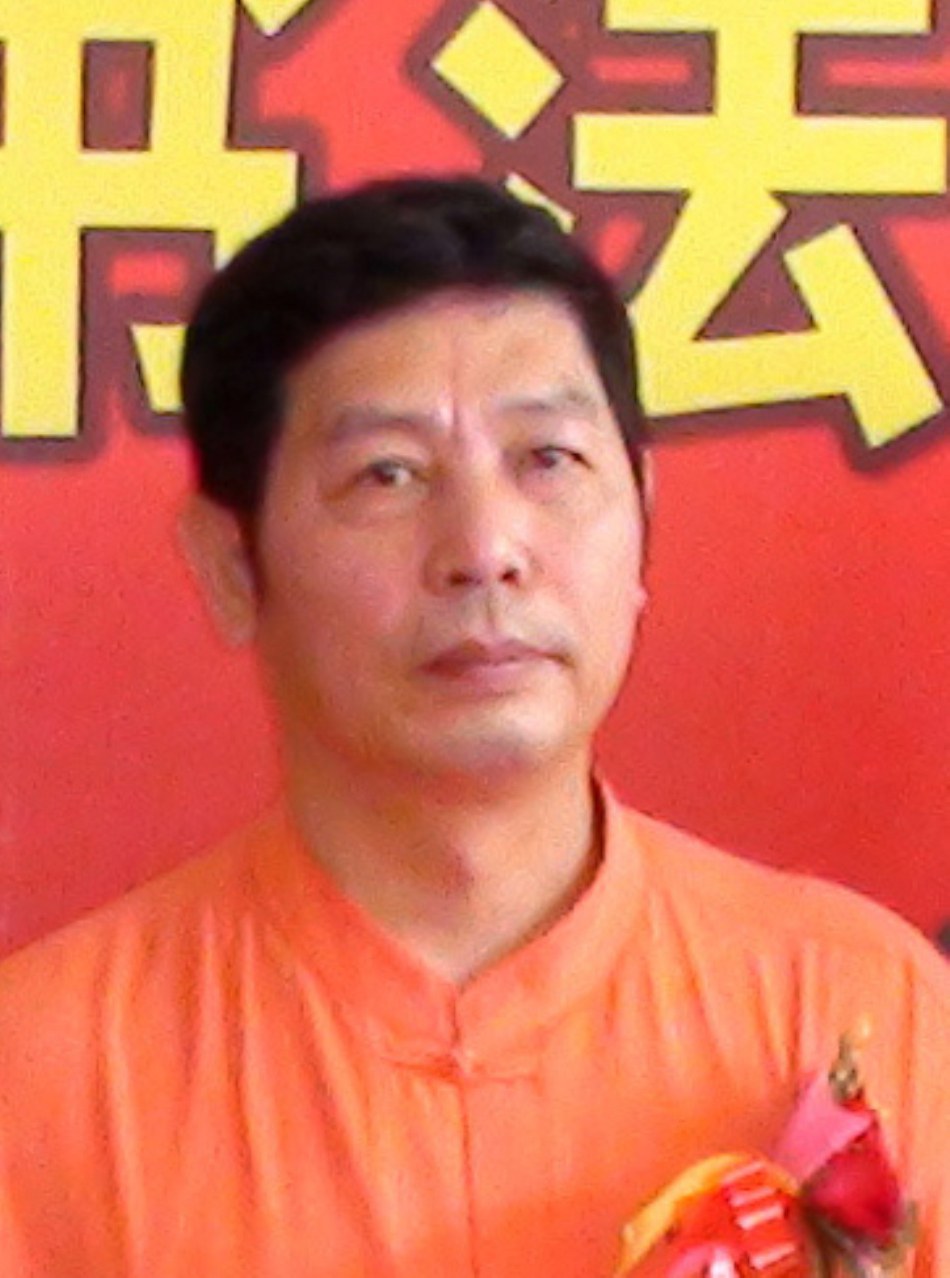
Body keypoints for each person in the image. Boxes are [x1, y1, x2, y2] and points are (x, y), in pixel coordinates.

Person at [0, 177, 946, 1278]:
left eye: (547, 459)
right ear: (231, 567)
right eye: (387, 475)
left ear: (642, 518)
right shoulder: (47, 1072)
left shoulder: (861, 1007)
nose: (485, 547)